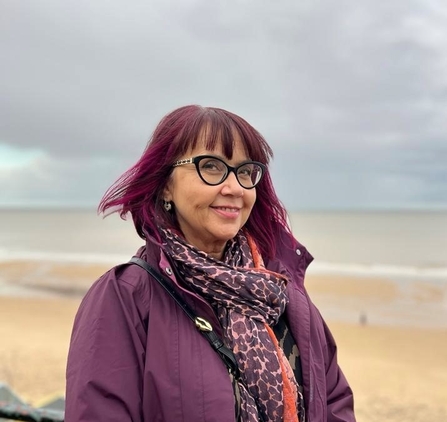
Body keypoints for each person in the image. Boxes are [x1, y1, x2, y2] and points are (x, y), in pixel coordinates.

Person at [65, 105, 356, 422]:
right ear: (165, 185)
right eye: (212, 167)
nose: (234, 188)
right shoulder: (125, 297)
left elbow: (333, 401)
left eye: (245, 172)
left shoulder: (278, 291)